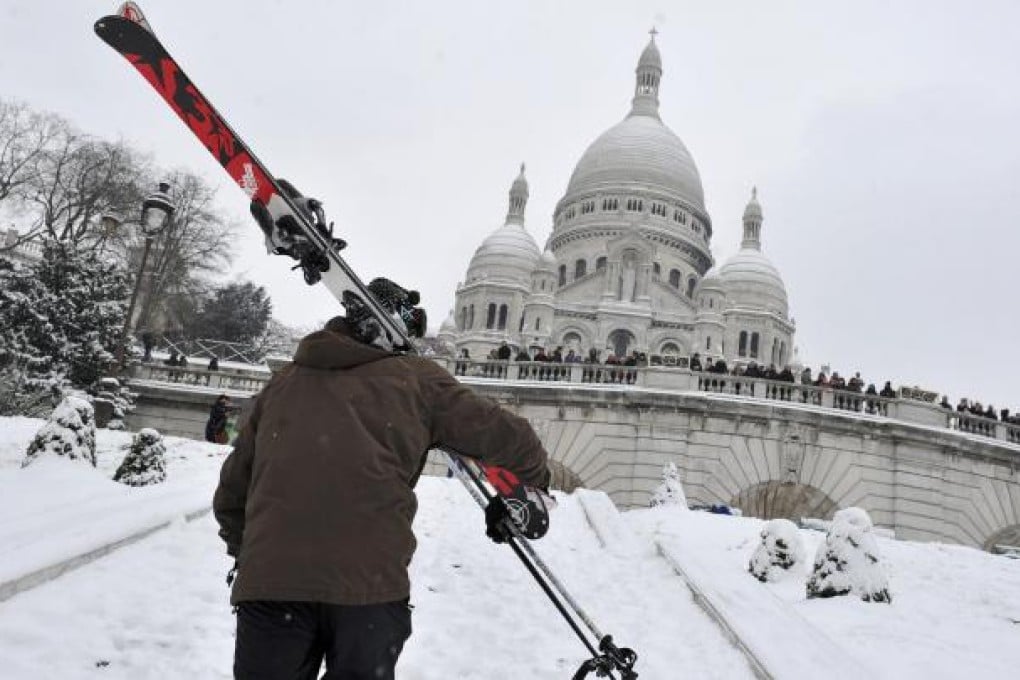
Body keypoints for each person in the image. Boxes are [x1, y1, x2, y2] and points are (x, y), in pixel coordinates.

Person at [213, 312, 551, 680]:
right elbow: (512, 439)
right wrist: (528, 489)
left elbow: (232, 491)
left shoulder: (282, 385)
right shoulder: (416, 380)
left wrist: (249, 554)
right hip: (368, 589)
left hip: (272, 582)